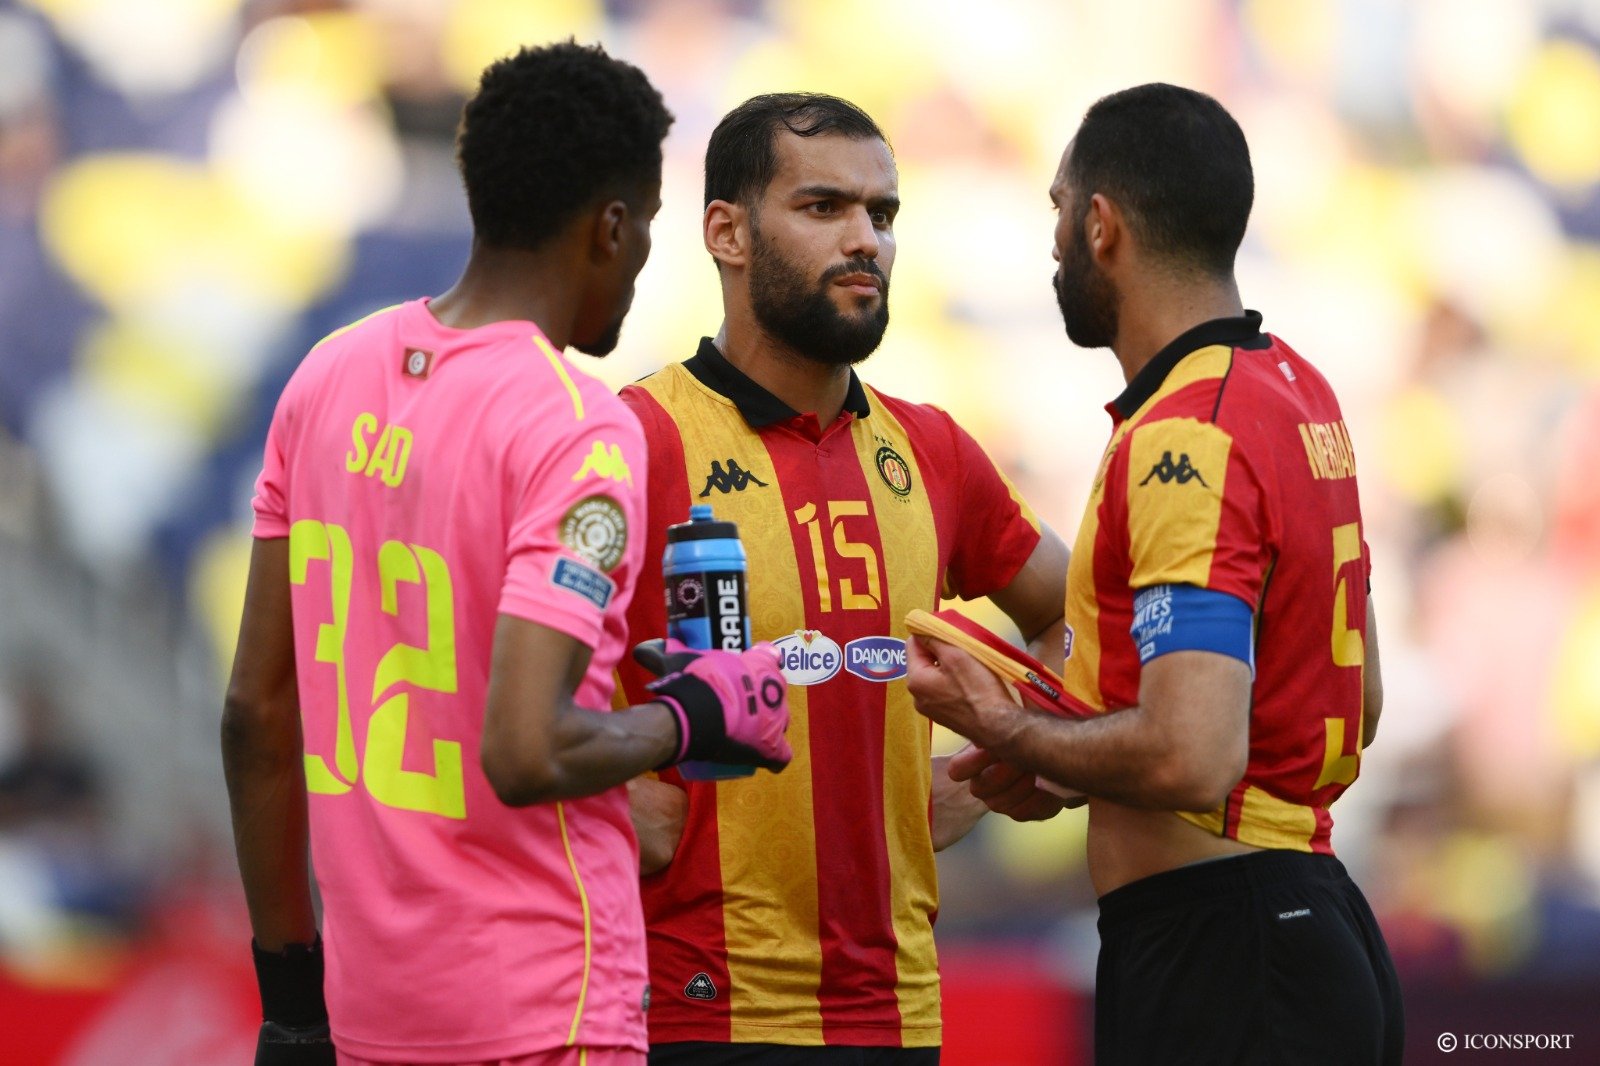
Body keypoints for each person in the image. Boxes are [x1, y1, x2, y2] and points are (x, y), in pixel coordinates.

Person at [221, 42, 793, 1066]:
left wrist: (292, 999)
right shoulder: (574, 425)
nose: (643, 257)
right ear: (611, 227)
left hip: (370, 1016)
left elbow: (255, 716)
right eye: (648, 225)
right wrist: (694, 715)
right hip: (541, 1010)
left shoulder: (326, 377)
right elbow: (528, 750)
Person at [905, 83, 1404, 1065]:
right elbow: (1362, 699)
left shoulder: (1185, 434)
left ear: (1102, 225)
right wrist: (1065, 752)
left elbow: (1191, 755)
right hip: (1306, 918)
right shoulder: (1297, 388)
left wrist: (1008, 726)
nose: (1052, 243)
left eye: (1058, 209)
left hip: (1229, 952)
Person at [613, 93, 1071, 1064]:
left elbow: (1081, 616)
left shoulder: (933, 449)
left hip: (899, 1009)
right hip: (692, 1012)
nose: (866, 238)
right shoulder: (631, 439)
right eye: (824, 207)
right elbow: (493, 689)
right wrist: (606, 804)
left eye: (882, 213)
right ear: (727, 233)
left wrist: (1005, 760)